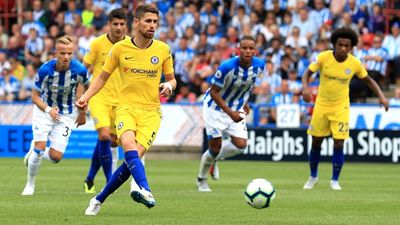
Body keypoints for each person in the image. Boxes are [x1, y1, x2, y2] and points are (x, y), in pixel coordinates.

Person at [76, 4, 176, 215]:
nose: (153, 26)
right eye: (148, 21)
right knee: (128, 146)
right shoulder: (120, 49)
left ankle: (98, 199)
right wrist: (85, 97)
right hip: (126, 108)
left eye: (155, 22)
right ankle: (146, 189)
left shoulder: (163, 49)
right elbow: (102, 77)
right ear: (136, 22)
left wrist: (169, 86)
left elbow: (172, 79)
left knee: (133, 159)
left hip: (151, 112)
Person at [302, 27, 389, 191]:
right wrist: (305, 87)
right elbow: (307, 72)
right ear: (334, 44)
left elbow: (369, 80)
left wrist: (382, 96)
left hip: (341, 107)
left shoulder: (354, 63)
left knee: (339, 143)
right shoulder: (323, 57)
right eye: (340, 45)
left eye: (347, 46)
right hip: (321, 105)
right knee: (316, 142)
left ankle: (335, 180)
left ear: (351, 47)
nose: (343, 48)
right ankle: (313, 176)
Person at [21, 36, 90, 195]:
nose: (66, 57)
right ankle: (30, 184)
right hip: (44, 111)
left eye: (69, 53)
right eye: (62, 53)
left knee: (56, 157)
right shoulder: (45, 70)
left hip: (66, 114)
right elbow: (34, 96)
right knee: (40, 149)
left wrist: (82, 111)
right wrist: (48, 110)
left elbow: (87, 88)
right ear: (56, 53)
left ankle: (34, 150)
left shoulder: (80, 70)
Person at [196, 36, 265, 192]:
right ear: (238, 50)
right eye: (244, 48)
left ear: (255, 51)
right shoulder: (227, 67)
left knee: (241, 145)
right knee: (215, 147)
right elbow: (214, 92)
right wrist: (230, 112)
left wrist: (244, 102)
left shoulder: (260, 65)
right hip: (214, 108)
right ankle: (201, 180)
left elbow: (248, 84)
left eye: (251, 48)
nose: (248, 51)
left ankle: (214, 160)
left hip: (236, 107)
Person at [82, 8, 128, 194]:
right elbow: (82, 69)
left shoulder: (131, 45)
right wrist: (82, 95)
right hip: (99, 97)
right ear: (109, 24)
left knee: (112, 142)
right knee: (103, 135)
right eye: (115, 24)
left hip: (121, 100)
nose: (118, 27)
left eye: (122, 24)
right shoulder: (97, 44)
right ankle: (110, 181)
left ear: (126, 25)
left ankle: (90, 178)